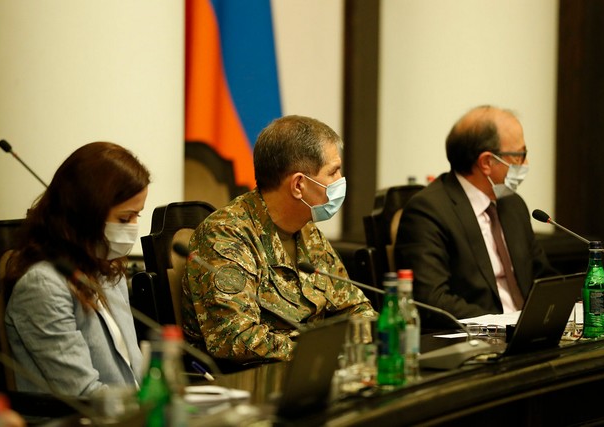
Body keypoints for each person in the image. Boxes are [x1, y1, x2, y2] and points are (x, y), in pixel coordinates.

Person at [181, 115, 376, 365]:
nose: (341, 180)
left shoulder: (308, 232)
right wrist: (322, 351)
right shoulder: (225, 235)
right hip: (247, 378)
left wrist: (358, 341)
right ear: (298, 185)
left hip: (311, 370)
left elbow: (355, 308)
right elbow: (235, 338)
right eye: (333, 171)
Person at [4, 142, 150, 396]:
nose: (133, 226)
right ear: (86, 214)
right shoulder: (42, 285)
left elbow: (133, 373)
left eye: (138, 215)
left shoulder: (108, 272)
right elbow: (84, 394)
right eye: (125, 218)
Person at [395, 105, 555, 328]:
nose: (526, 164)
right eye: (521, 156)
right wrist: (503, 324)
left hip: (530, 332)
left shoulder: (513, 205)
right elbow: (431, 301)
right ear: (487, 162)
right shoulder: (428, 211)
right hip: (479, 338)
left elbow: (542, 275)